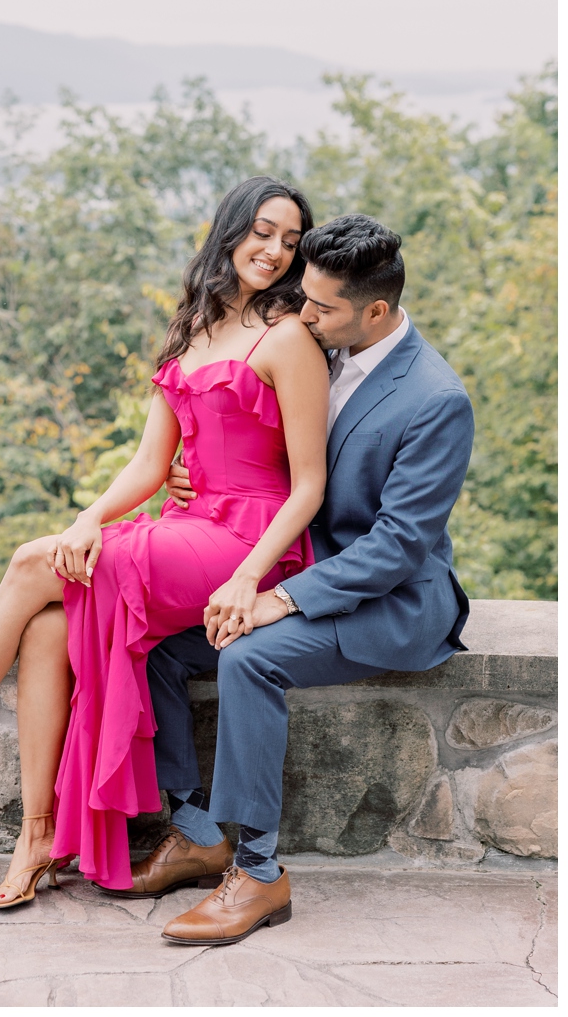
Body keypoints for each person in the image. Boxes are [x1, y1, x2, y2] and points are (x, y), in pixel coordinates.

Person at [0, 176, 330, 907]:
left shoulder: (287, 338)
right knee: (45, 626)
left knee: (30, 562)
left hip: (253, 545)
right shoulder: (194, 330)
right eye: (263, 231)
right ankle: (37, 838)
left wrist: (247, 577)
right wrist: (88, 520)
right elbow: (146, 462)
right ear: (229, 230)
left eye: (290, 241)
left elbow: (308, 487)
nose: (275, 251)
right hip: (192, 527)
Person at [139, 214, 473, 945]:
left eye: (321, 306)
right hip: (307, 573)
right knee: (166, 651)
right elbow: (274, 454)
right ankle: (196, 829)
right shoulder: (320, 350)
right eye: (304, 297)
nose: (302, 312)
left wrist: (277, 600)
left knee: (249, 657)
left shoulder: (435, 399)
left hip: (395, 602)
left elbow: (397, 549)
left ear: (375, 312)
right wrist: (190, 477)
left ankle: (259, 874)